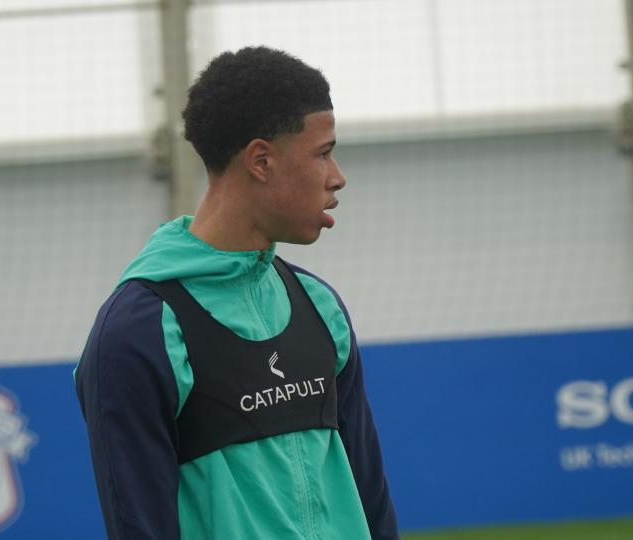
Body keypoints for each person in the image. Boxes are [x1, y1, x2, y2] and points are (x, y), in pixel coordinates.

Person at [75, 46, 398, 539]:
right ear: (261, 161)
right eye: (323, 153)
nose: (338, 177)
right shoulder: (140, 331)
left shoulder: (320, 306)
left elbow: (373, 506)